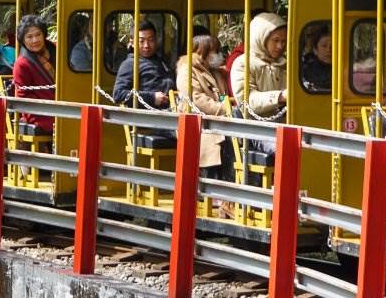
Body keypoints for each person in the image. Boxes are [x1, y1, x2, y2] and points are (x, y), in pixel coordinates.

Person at [176, 31, 233, 181]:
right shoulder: (187, 71)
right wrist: (224, 109)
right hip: (198, 122)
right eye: (215, 52)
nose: (219, 55)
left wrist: (227, 106)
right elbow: (196, 99)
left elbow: (222, 95)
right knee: (219, 139)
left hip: (219, 120)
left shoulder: (216, 72)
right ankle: (214, 186)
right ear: (203, 52)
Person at [229, 12, 288, 120]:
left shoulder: (285, 64)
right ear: (261, 38)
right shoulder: (243, 63)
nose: (280, 46)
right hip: (255, 130)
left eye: (283, 42)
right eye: (275, 40)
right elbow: (247, 101)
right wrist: (280, 97)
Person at [111, 20, 174, 108]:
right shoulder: (129, 64)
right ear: (132, 43)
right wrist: (152, 97)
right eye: (141, 41)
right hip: (148, 117)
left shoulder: (160, 61)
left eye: (151, 40)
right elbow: (118, 94)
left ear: (156, 40)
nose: (146, 45)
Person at [12, 15, 57, 135]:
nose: (35, 40)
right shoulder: (22, 63)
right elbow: (23, 97)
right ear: (23, 40)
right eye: (29, 37)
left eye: (38, 35)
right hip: (39, 113)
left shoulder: (56, 50)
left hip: (62, 105)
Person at [300, 26, 333, 93]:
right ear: (315, 50)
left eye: (333, 46)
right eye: (324, 46)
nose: (328, 50)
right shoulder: (306, 71)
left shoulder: (346, 69)